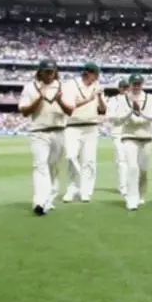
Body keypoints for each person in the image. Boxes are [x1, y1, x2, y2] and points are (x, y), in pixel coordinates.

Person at [17, 59, 75, 216]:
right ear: (40, 72)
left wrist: (60, 100)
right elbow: (24, 111)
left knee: (53, 168)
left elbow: (70, 111)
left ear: (56, 72)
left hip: (59, 131)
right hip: (39, 132)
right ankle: (39, 202)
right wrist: (38, 98)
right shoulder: (30, 87)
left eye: (52, 72)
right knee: (39, 165)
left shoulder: (64, 87)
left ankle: (48, 200)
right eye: (46, 72)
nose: (49, 75)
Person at [109, 74, 152, 211]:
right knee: (132, 167)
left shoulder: (150, 98)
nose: (136, 86)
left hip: (146, 137)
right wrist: (131, 111)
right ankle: (131, 199)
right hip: (129, 136)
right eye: (134, 84)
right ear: (129, 85)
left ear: (142, 84)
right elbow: (118, 119)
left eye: (138, 84)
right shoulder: (123, 99)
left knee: (143, 169)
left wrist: (140, 112)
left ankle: (141, 194)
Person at [63, 62, 106, 203]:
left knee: (89, 161)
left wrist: (100, 97)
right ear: (88, 73)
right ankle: (72, 188)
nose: (97, 78)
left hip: (91, 127)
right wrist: (90, 98)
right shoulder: (71, 85)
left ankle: (85, 191)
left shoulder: (97, 86)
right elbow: (69, 106)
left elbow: (103, 110)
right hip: (73, 126)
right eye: (96, 75)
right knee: (71, 156)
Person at [106, 80, 130, 196]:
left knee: (131, 161)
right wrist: (123, 117)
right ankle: (123, 187)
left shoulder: (132, 99)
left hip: (131, 133)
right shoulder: (113, 100)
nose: (125, 89)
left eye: (126, 87)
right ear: (119, 88)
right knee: (121, 160)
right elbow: (110, 116)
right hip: (118, 133)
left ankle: (130, 185)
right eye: (123, 87)